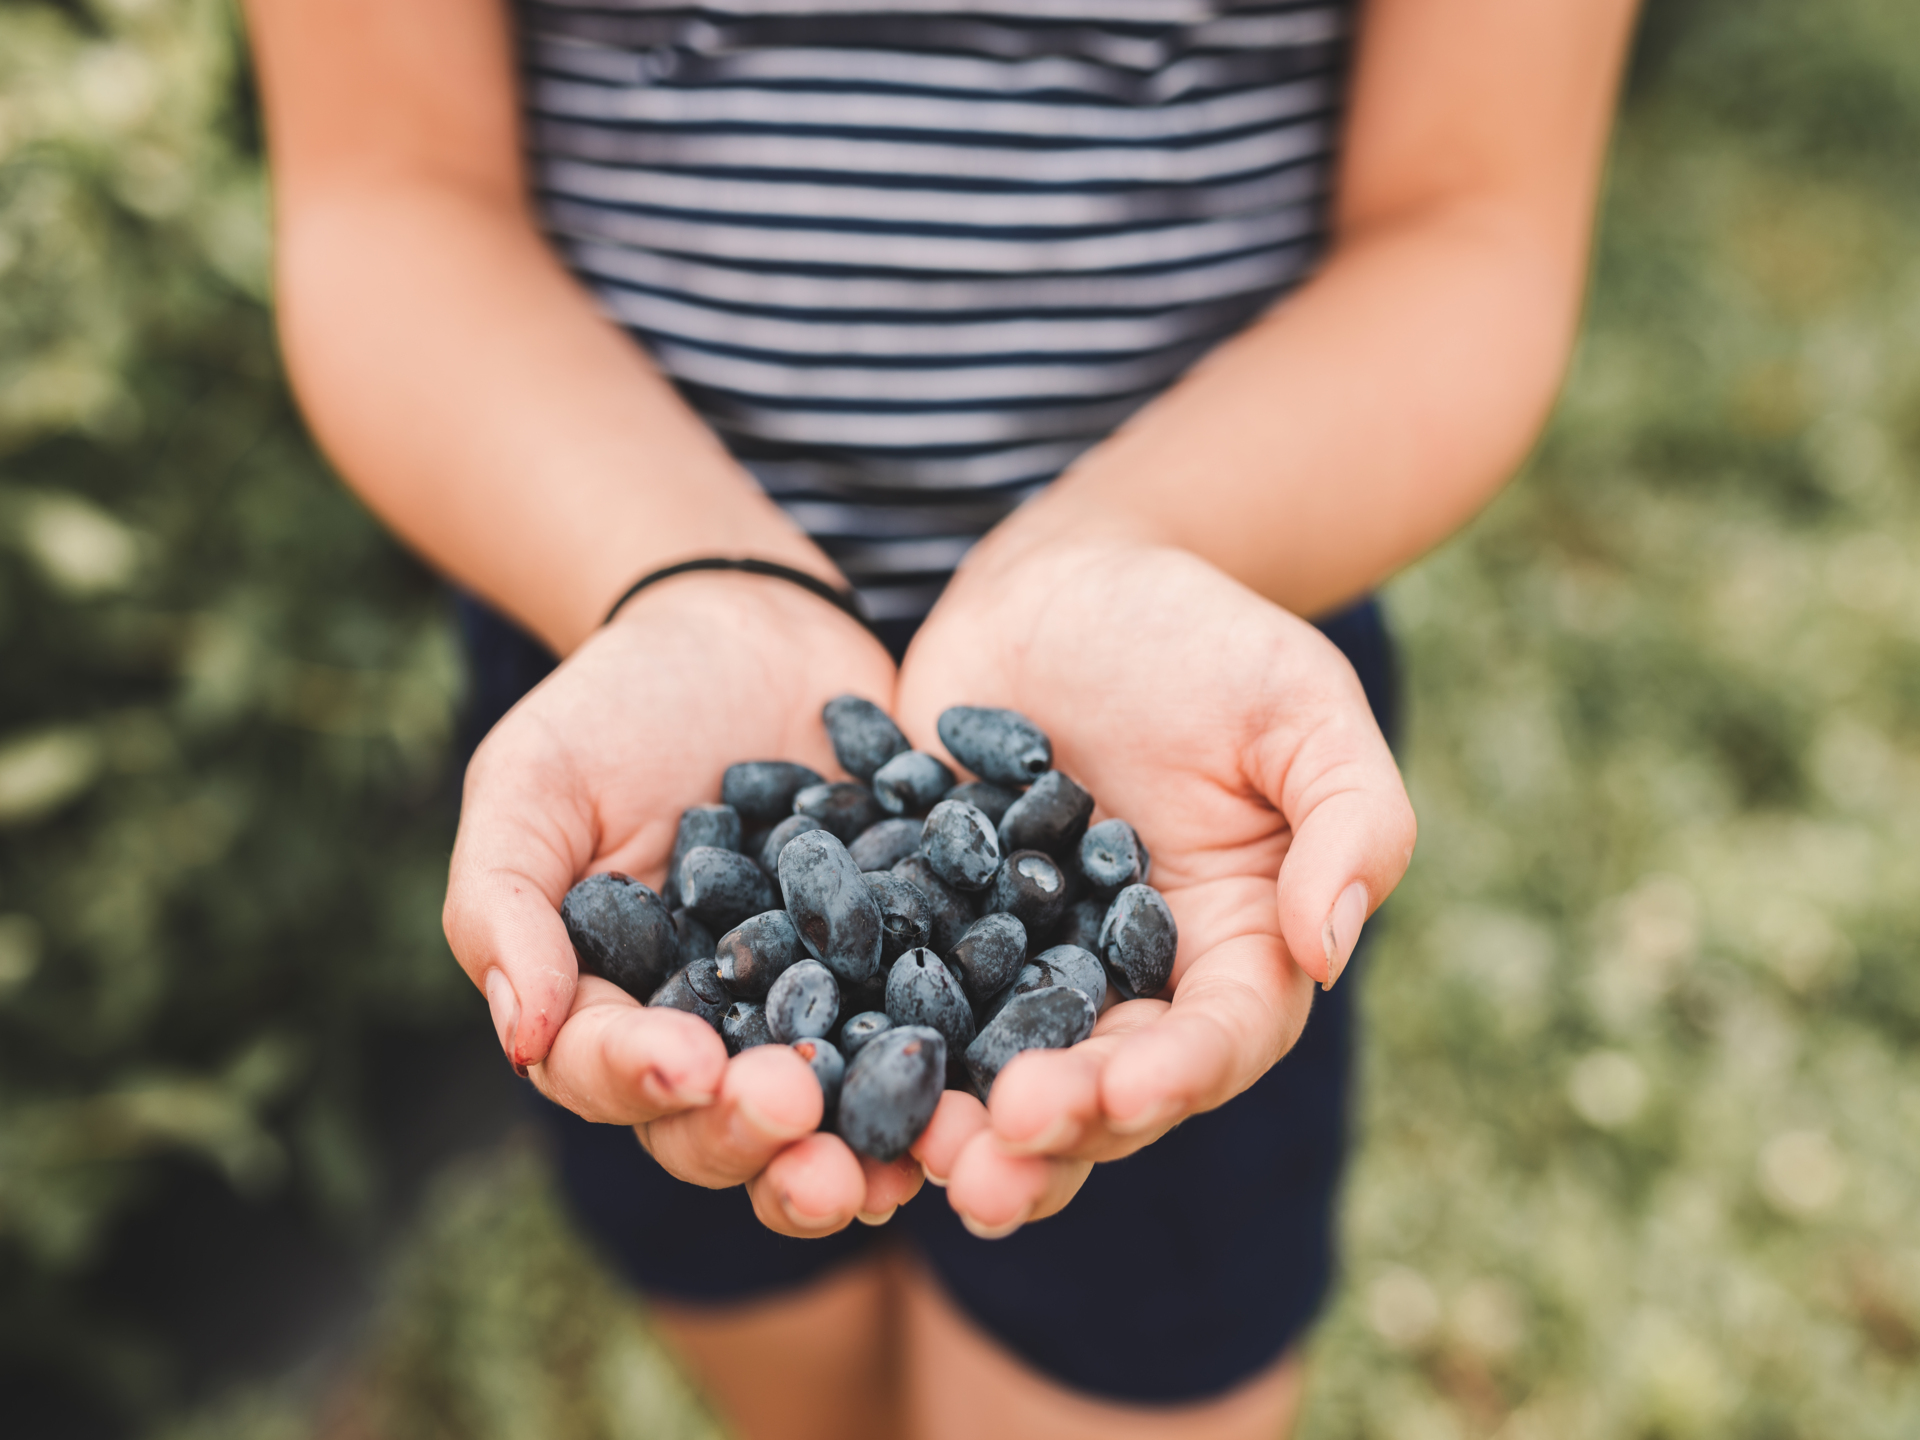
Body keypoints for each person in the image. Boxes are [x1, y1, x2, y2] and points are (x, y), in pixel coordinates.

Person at [243, 0, 1638, 1434]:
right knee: (763, 1281)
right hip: (626, 655)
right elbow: (392, 196)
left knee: (1123, 1340)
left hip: (1176, 712)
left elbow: (1468, 225)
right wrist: (678, 572)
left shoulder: (1139, 789)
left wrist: (1125, 540)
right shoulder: (683, 787)